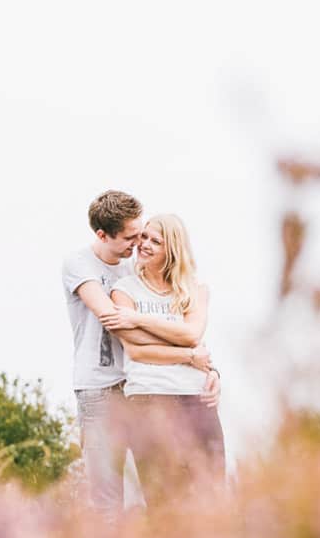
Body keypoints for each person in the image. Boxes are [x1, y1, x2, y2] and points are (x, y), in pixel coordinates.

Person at [62, 191, 221, 520]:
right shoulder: (80, 266)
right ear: (103, 235)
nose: (138, 245)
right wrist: (188, 355)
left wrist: (208, 366)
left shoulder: (134, 270)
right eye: (132, 237)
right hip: (101, 388)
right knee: (108, 494)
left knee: (155, 486)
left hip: (140, 386)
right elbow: (124, 330)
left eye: (143, 236)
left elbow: (181, 328)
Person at [104, 213, 226, 508]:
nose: (143, 245)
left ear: (172, 249)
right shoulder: (124, 291)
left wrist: (138, 318)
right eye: (143, 237)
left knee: (212, 489)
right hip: (149, 396)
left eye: (154, 241)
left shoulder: (195, 290)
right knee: (163, 496)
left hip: (196, 398)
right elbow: (136, 350)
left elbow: (192, 333)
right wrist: (188, 355)